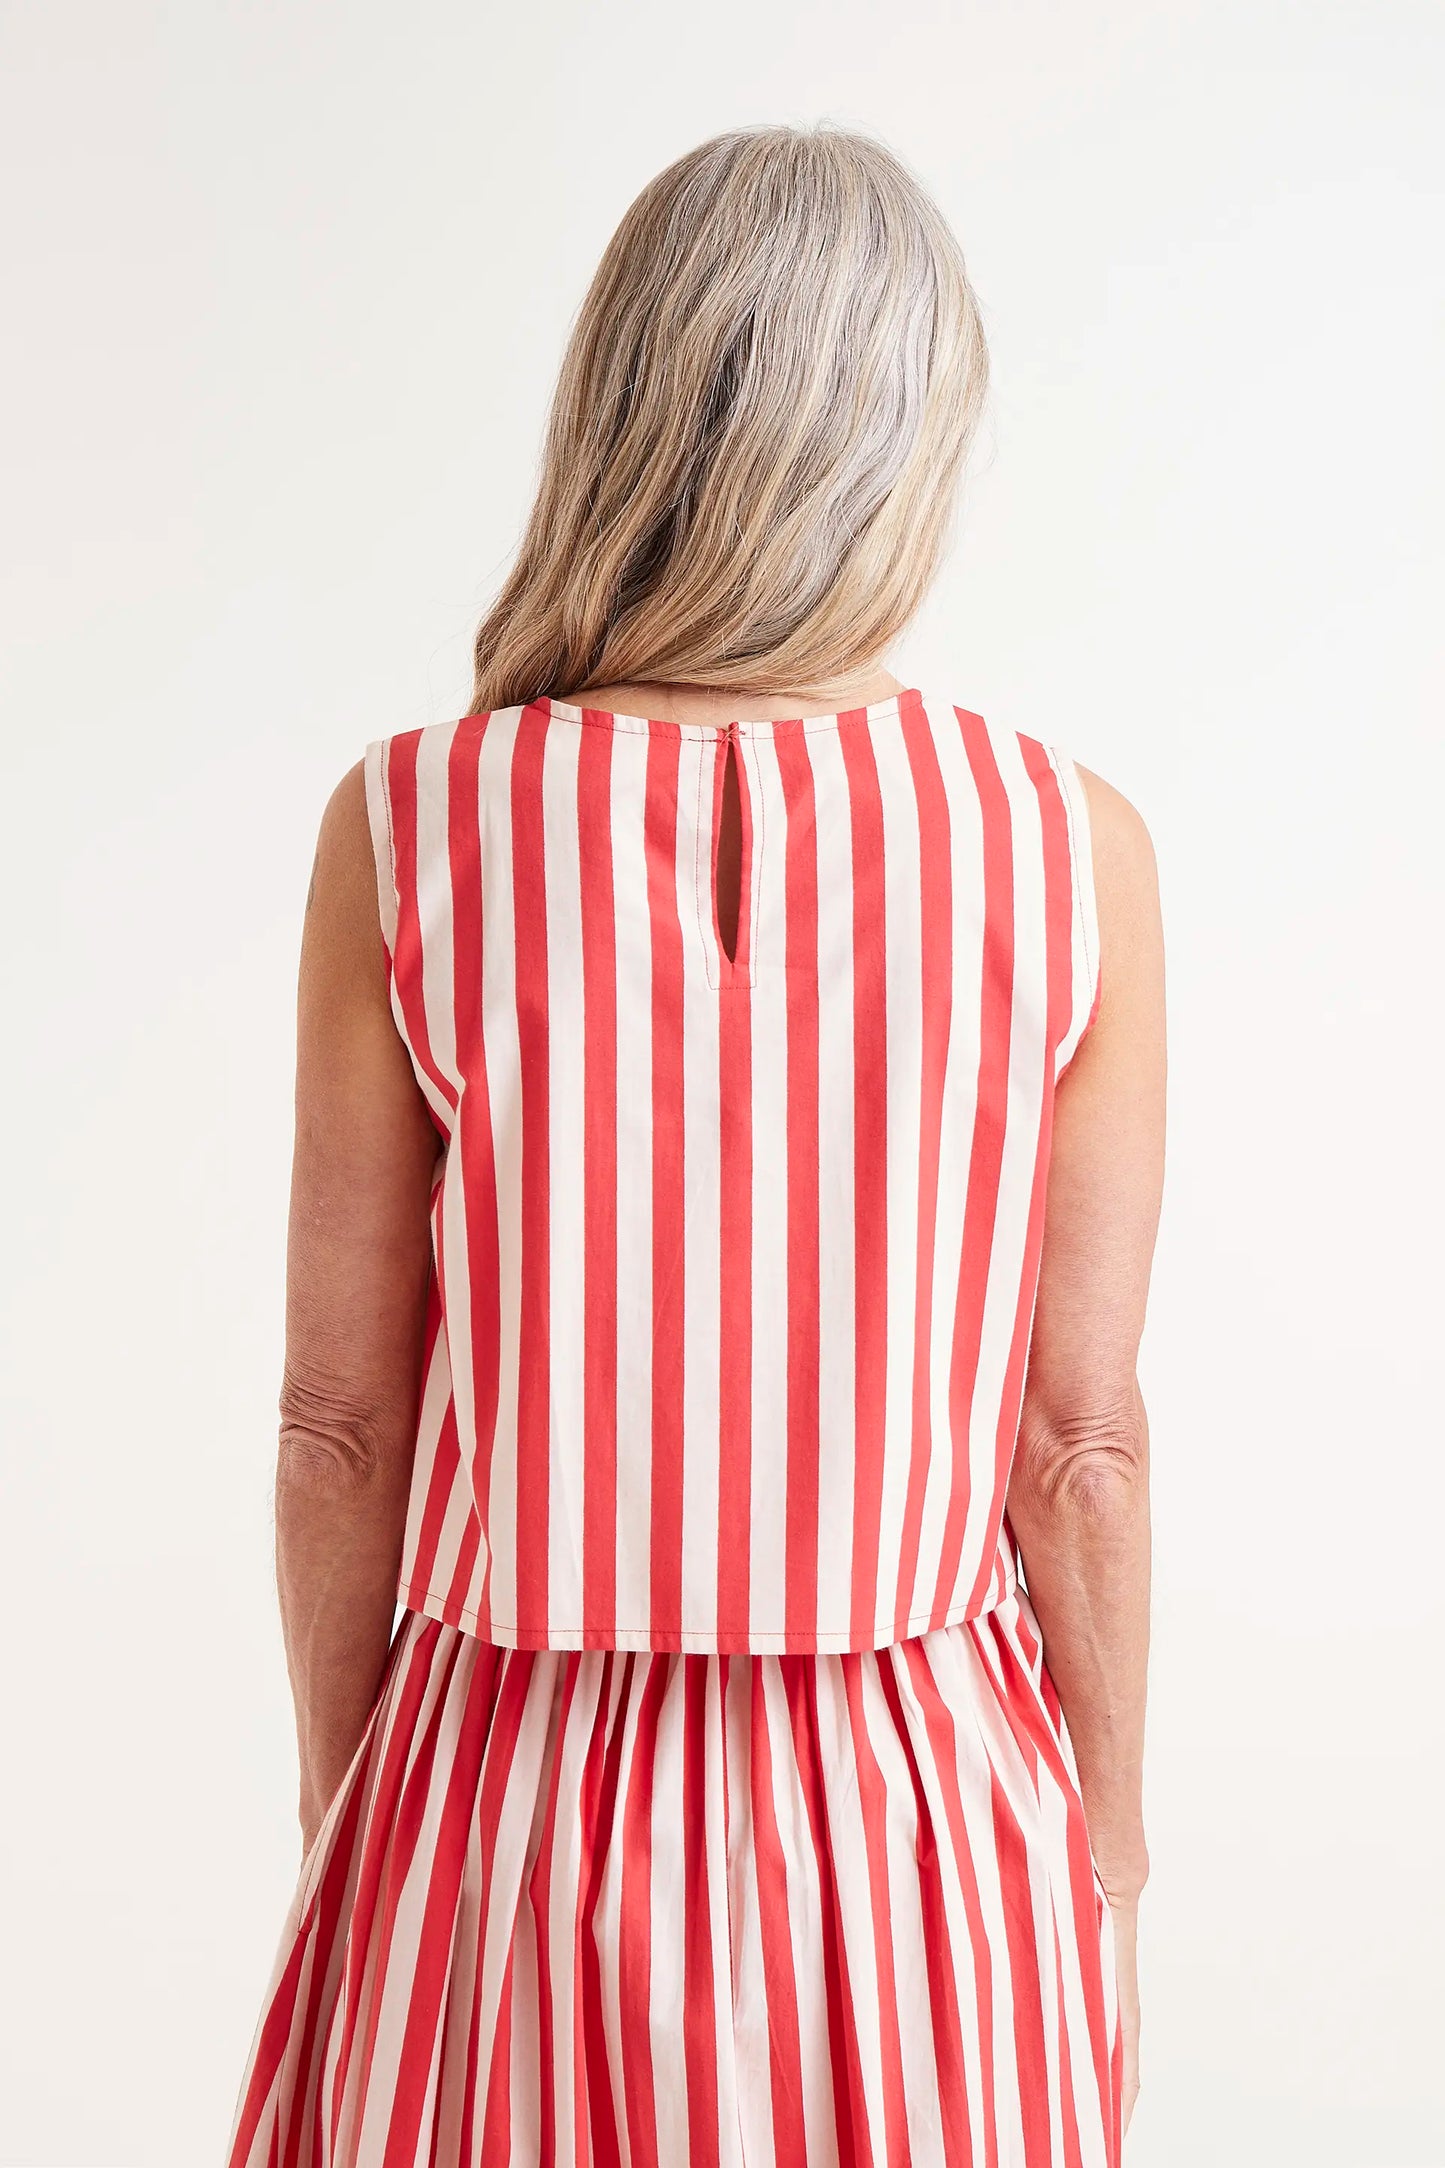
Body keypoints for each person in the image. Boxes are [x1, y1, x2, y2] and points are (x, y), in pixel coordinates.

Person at [224, 120, 1165, 2168]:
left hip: (507, 1806)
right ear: (909, 443)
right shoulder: (1065, 851)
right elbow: (1075, 1443)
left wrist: (344, 1795)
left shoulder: (414, 829)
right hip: (921, 1816)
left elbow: (336, 1424)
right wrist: (1103, 1831)